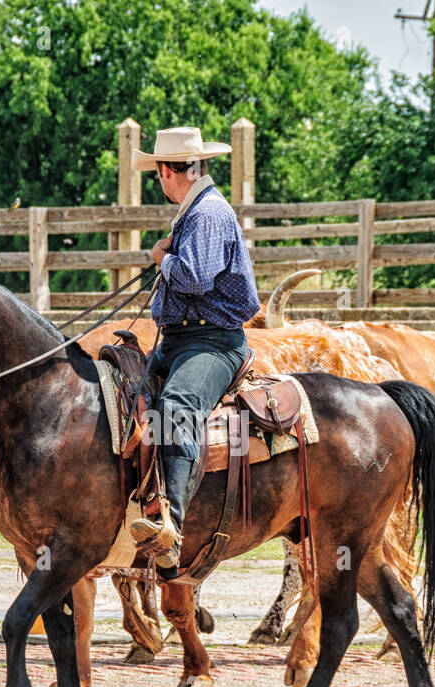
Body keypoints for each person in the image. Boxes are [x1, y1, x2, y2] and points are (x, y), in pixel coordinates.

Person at [127, 127, 259, 579]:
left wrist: (160, 258)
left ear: (166, 171)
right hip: (183, 339)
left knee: (178, 406)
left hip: (214, 342)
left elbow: (197, 278)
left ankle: (171, 528)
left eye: (157, 174)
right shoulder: (196, 211)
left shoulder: (206, 214)